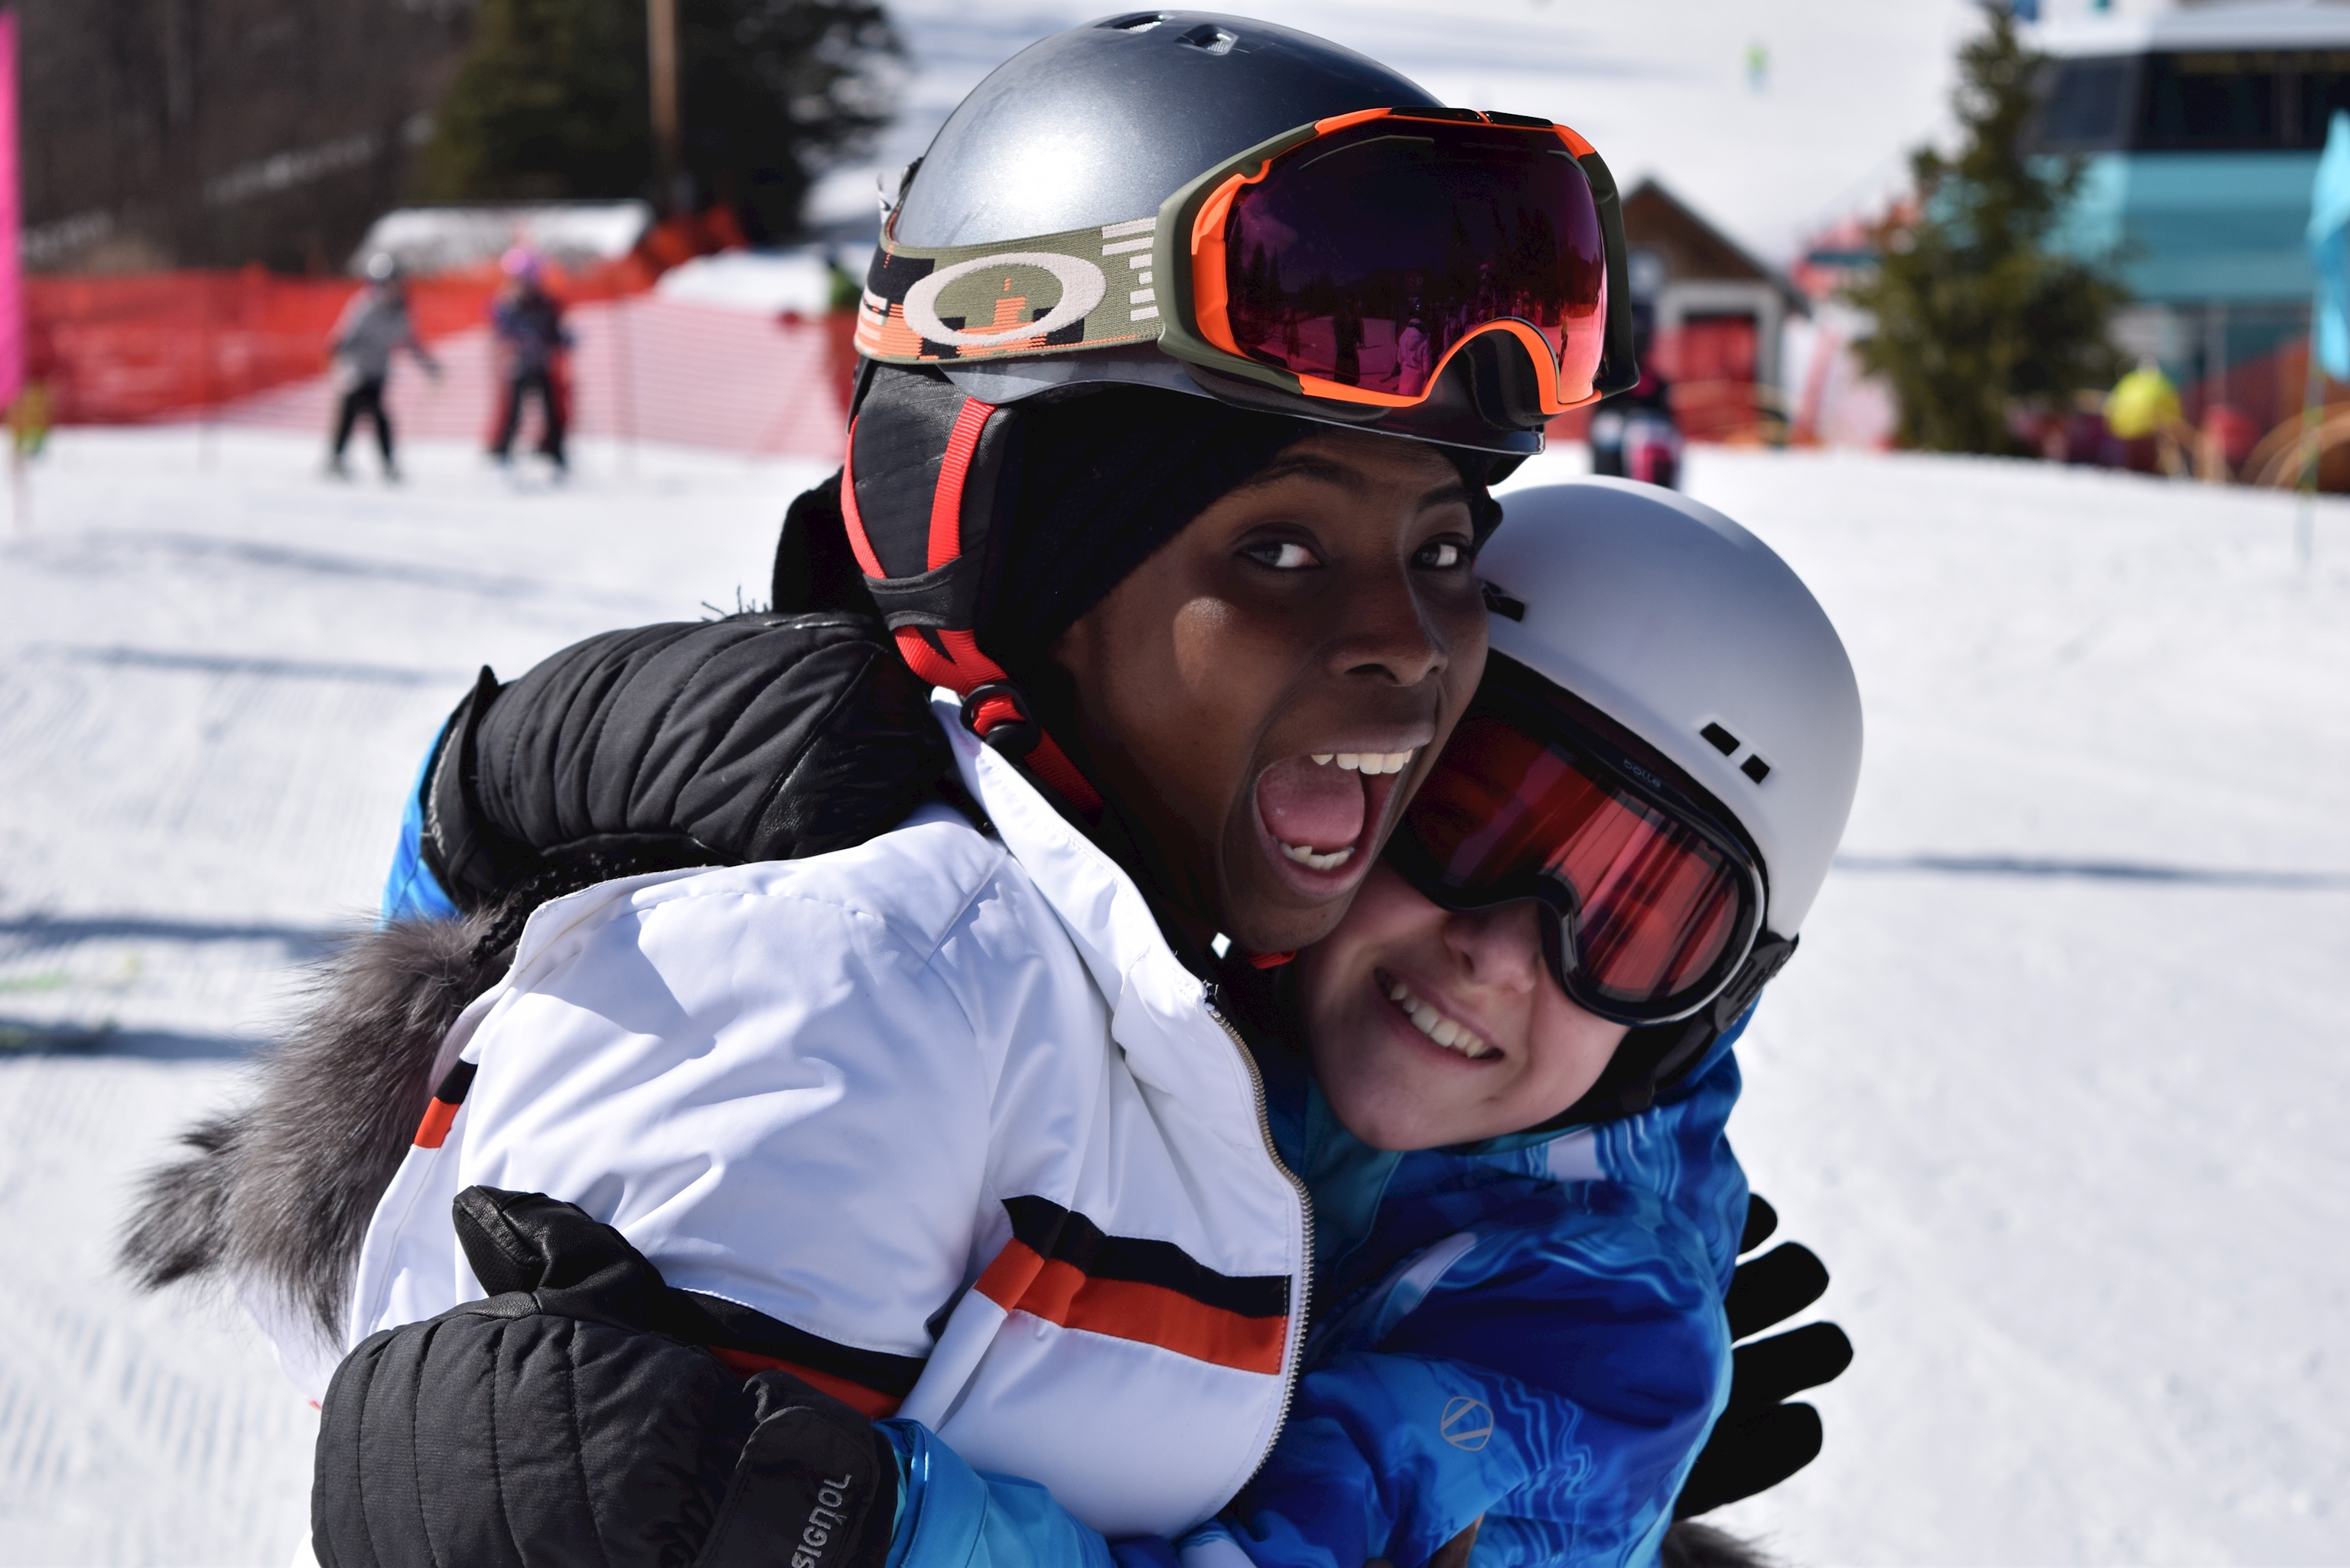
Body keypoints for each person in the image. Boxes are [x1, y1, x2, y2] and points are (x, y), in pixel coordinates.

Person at [121, 15, 1647, 1566]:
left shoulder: (1138, 968)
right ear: (1021, 558)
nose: (1403, 641)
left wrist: (1544, 1390)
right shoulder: (864, 976)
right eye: (1277, 550)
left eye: (1444, 548)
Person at [326, 252, 439, 481]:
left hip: (379, 372)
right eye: (390, 283)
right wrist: (335, 354)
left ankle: (387, 464)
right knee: (352, 412)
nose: (395, 288)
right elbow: (345, 335)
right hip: (357, 369)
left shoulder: (400, 313)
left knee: (379, 417)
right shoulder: (365, 307)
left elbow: (411, 343)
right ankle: (337, 459)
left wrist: (430, 367)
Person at [490, 246, 571, 473]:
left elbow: (555, 332)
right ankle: (503, 452)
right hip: (519, 365)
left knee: (551, 412)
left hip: (542, 364)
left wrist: (566, 339)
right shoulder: (507, 304)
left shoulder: (546, 303)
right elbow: (501, 329)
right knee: (514, 412)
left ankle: (556, 454)